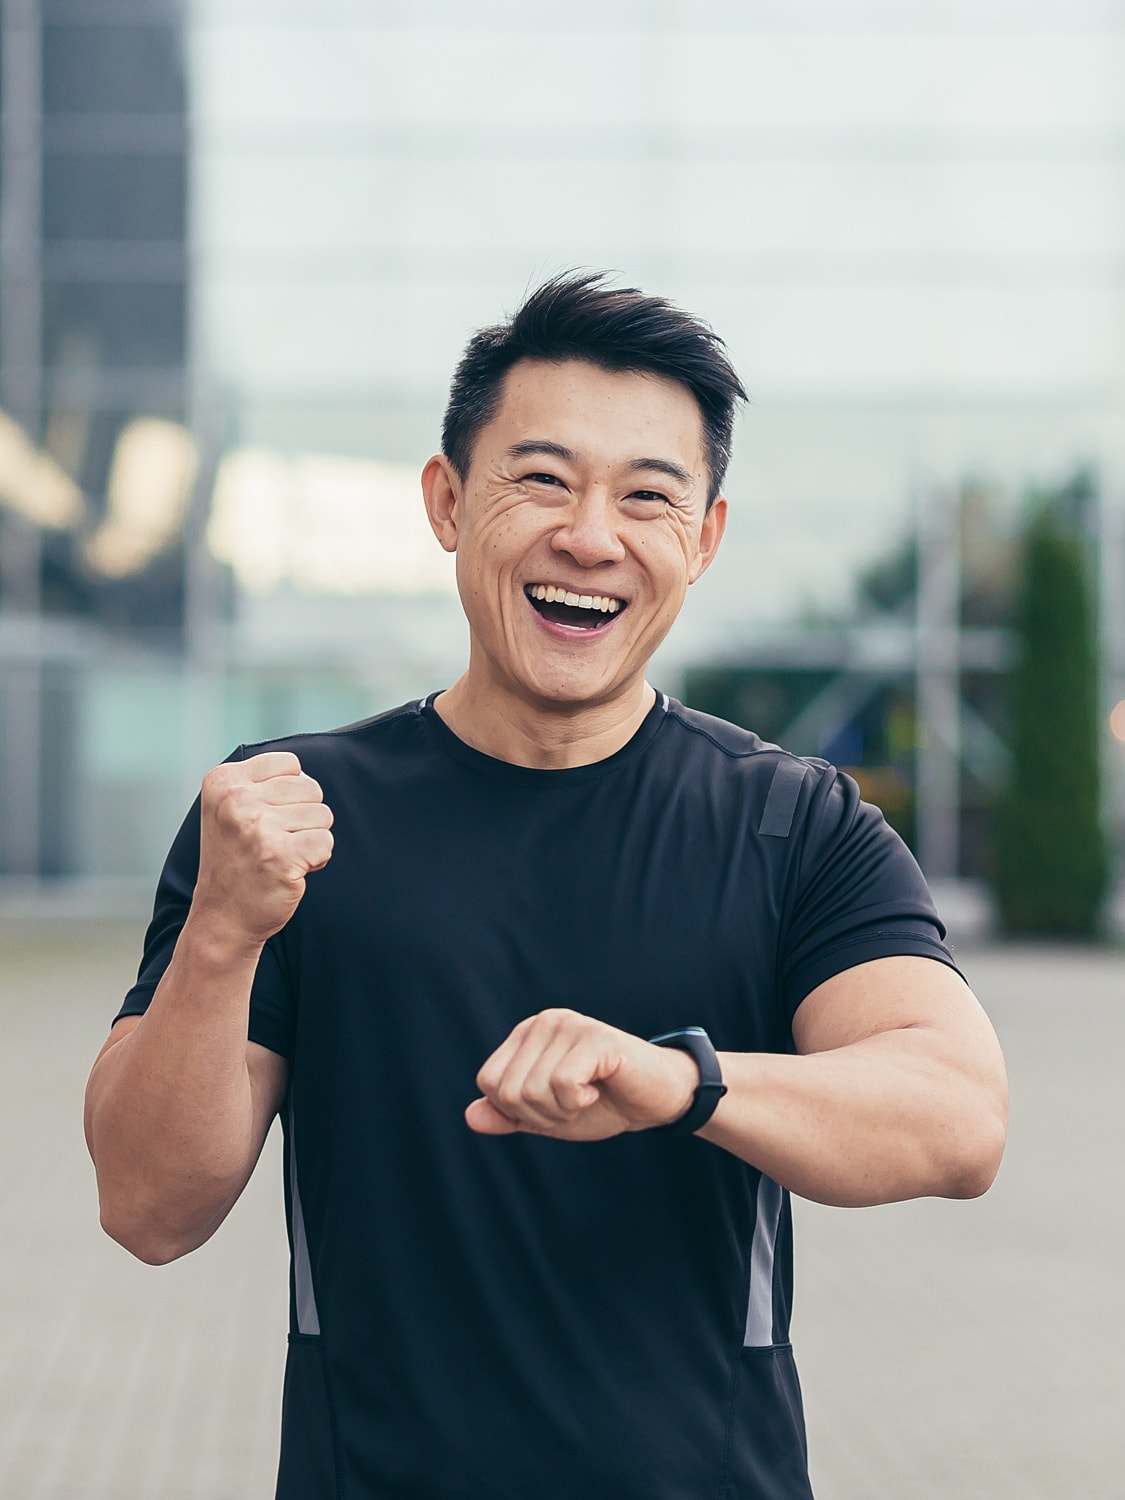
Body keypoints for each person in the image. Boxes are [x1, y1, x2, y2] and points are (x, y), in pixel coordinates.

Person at [84, 272, 1008, 1500]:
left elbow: (958, 1115)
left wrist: (678, 1080)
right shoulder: (288, 818)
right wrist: (220, 935)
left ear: (704, 540)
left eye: (648, 496)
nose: (591, 536)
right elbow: (148, 1207)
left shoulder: (792, 825)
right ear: (448, 500)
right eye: (543, 479)